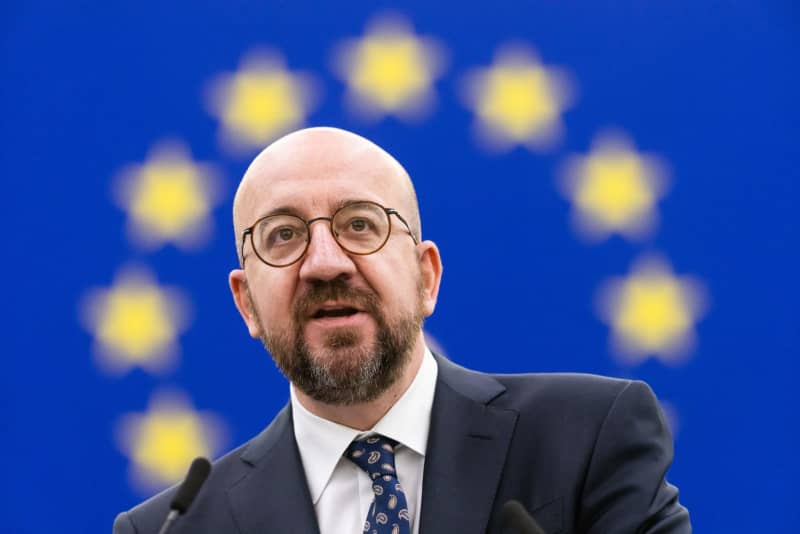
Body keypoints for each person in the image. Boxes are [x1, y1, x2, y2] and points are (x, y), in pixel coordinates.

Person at [113, 127, 691, 533]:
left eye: (360, 225)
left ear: (426, 277)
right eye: (283, 235)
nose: (324, 262)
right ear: (247, 304)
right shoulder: (174, 529)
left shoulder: (588, 440)